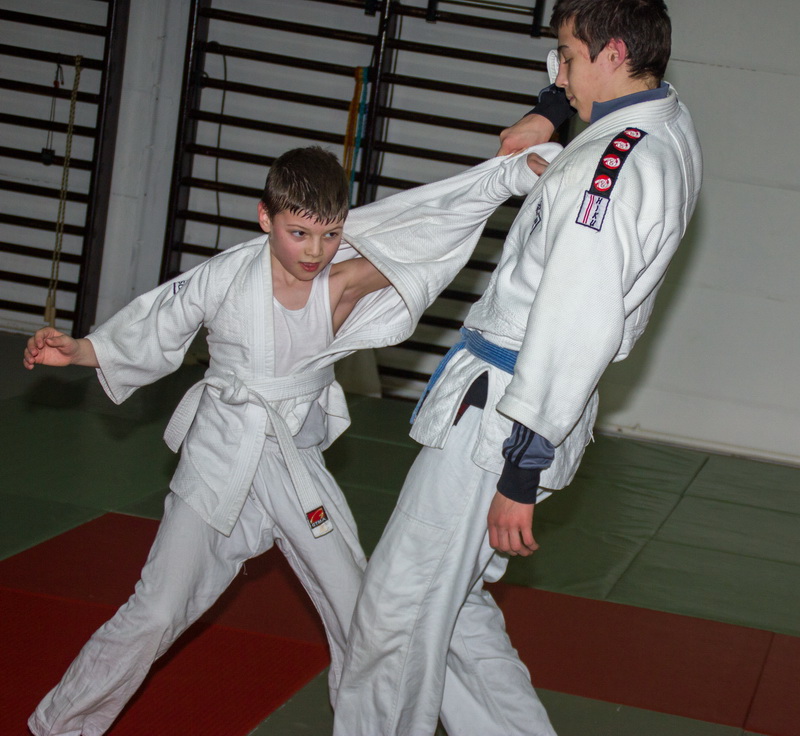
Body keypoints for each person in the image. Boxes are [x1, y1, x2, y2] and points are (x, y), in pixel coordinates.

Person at [23, 143, 556, 736]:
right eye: (298, 233)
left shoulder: (342, 284)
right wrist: (84, 350)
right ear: (265, 218)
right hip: (219, 459)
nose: (315, 251)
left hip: (295, 467)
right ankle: (60, 727)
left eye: (330, 235)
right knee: (156, 612)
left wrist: (503, 179)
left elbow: (426, 231)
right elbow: (158, 321)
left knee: (362, 618)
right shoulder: (225, 276)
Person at [333, 1, 703, 735]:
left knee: (396, 613)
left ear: (614, 53)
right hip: (511, 403)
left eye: (567, 57)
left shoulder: (608, 172)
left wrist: (520, 470)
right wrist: (550, 114)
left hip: (503, 417)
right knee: (454, 611)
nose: (557, 74)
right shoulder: (663, 121)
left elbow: (575, 325)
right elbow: (588, 113)